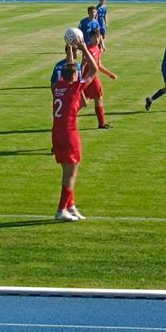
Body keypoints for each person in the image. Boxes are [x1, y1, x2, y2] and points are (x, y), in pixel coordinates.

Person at [51, 48, 101, 222]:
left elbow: (70, 68)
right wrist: (84, 48)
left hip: (56, 133)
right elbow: (94, 70)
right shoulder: (74, 88)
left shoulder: (58, 87)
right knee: (71, 173)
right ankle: (61, 209)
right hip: (69, 133)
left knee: (66, 170)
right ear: (73, 77)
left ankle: (70, 206)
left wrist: (71, 49)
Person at [81, 28, 118, 128]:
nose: (97, 39)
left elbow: (99, 65)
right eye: (95, 37)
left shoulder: (97, 48)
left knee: (97, 99)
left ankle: (101, 124)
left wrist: (109, 74)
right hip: (88, 79)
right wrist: (80, 78)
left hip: (94, 78)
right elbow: (82, 65)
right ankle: (67, 115)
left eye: (99, 37)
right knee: (84, 102)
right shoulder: (88, 50)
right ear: (90, 37)